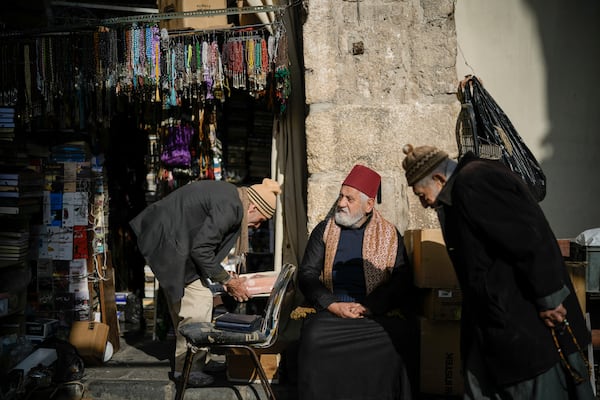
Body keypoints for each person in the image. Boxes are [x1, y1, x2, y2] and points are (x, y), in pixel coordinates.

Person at [401, 144, 595, 399]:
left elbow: (529, 238)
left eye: (420, 194)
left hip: (523, 324)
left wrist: (549, 300)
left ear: (438, 178)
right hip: (493, 327)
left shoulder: (475, 181)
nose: (423, 203)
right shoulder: (460, 191)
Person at [129, 178, 281, 387]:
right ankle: (188, 369)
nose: (257, 226)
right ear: (253, 206)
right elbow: (201, 249)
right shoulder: (232, 207)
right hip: (169, 242)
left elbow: (203, 244)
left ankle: (198, 360)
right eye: (261, 220)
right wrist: (227, 280)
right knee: (199, 302)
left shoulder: (233, 198)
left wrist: (223, 276)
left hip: (169, 239)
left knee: (187, 301)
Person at [297, 164, 418, 400]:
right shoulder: (324, 230)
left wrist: (370, 306)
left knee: (399, 337)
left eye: (349, 198)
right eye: (341, 196)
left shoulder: (390, 235)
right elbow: (307, 275)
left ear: (368, 205)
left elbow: (402, 279)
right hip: (331, 314)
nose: (341, 203)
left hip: (374, 313)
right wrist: (333, 305)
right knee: (314, 337)